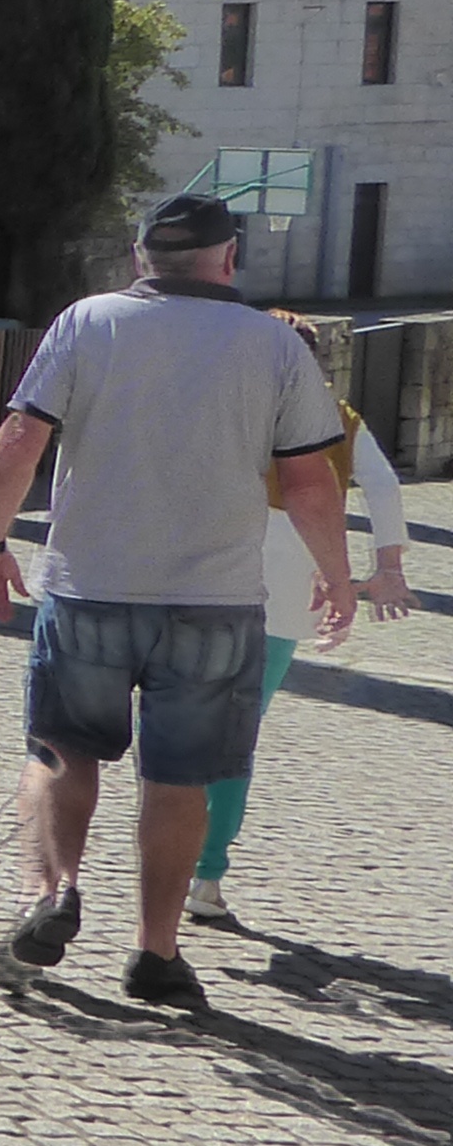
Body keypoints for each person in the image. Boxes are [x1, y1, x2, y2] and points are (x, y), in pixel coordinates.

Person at [0, 192, 352, 1014]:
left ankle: (52, 893)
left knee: (61, 752)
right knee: (180, 782)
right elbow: (310, 481)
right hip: (215, 602)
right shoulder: (274, 344)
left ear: (141, 256)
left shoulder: (87, 321)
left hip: (91, 586)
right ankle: (157, 952)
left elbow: (21, 438)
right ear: (229, 257)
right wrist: (337, 575)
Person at [187, 312, 416, 926]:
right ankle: (207, 872)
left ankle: (171, 849)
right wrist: (387, 567)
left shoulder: (218, 403)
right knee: (237, 734)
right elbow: (383, 487)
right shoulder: (338, 418)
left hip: (204, 581)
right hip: (289, 592)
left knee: (181, 721)